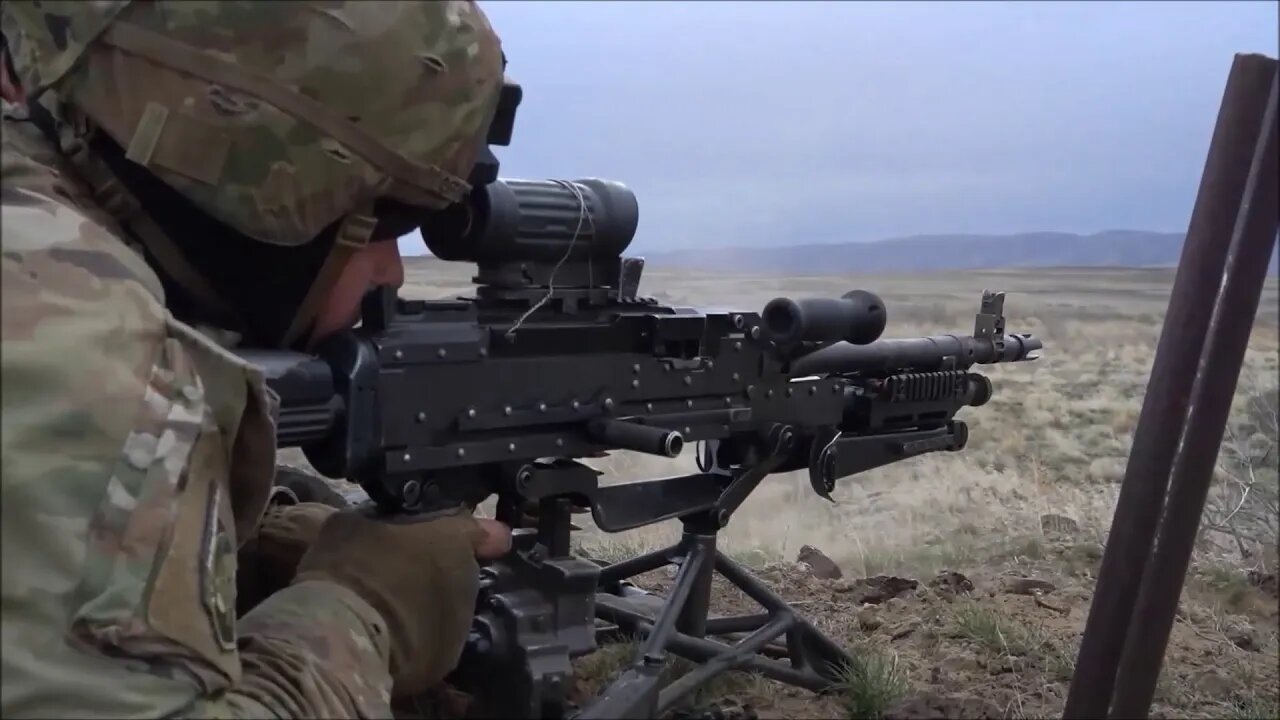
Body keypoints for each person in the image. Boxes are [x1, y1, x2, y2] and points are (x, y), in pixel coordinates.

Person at [1, 1, 516, 716]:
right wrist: (366, 611)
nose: (391, 273)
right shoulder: (83, 341)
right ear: (265, 182)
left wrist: (239, 538)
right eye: (383, 221)